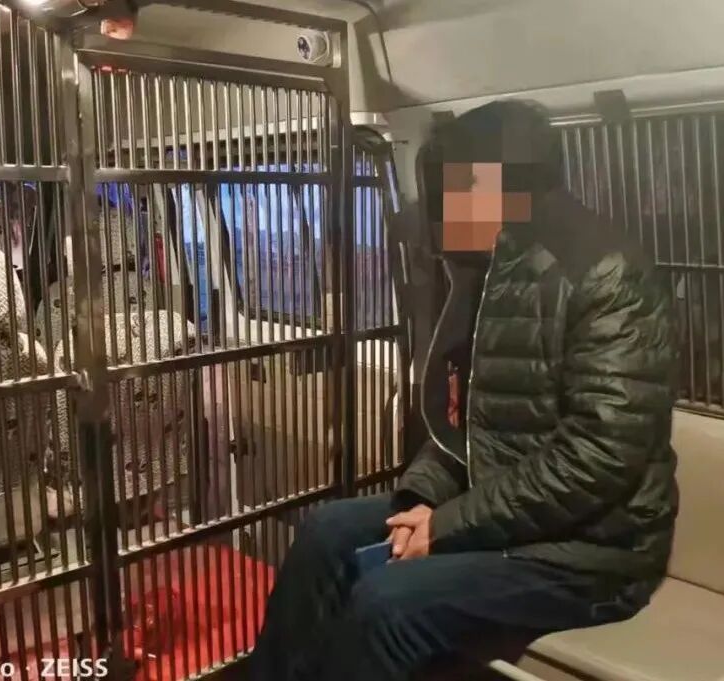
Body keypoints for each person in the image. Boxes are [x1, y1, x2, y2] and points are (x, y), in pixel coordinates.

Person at [248, 99, 679, 681]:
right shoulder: (493, 270)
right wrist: (420, 501)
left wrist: (449, 526)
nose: (444, 210)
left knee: (386, 603)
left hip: (593, 550)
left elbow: (600, 457)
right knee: (326, 534)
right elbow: (463, 423)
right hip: (504, 511)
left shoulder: (605, 272)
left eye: (457, 186)